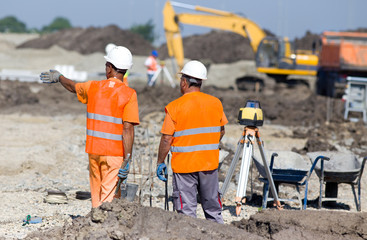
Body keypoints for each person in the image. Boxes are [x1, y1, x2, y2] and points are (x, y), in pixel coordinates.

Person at [40, 46, 140, 208]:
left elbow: (73, 87)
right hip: (114, 154)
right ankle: (104, 223)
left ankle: (95, 217)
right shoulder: (129, 94)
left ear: (109, 68)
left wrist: (59, 77)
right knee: (109, 194)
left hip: (94, 150)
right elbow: (128, 129)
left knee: (96, 192)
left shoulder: (93, 87)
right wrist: (127, 158)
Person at [156, 60, 228, 224]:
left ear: (184, 82)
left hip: (184, 167)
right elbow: (221, 130)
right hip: (209, 165)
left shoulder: (175, 106)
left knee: (186, 214)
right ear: (201, 82)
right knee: (213, 210)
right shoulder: (215, 103)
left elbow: (167, 138)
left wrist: (160, 161)